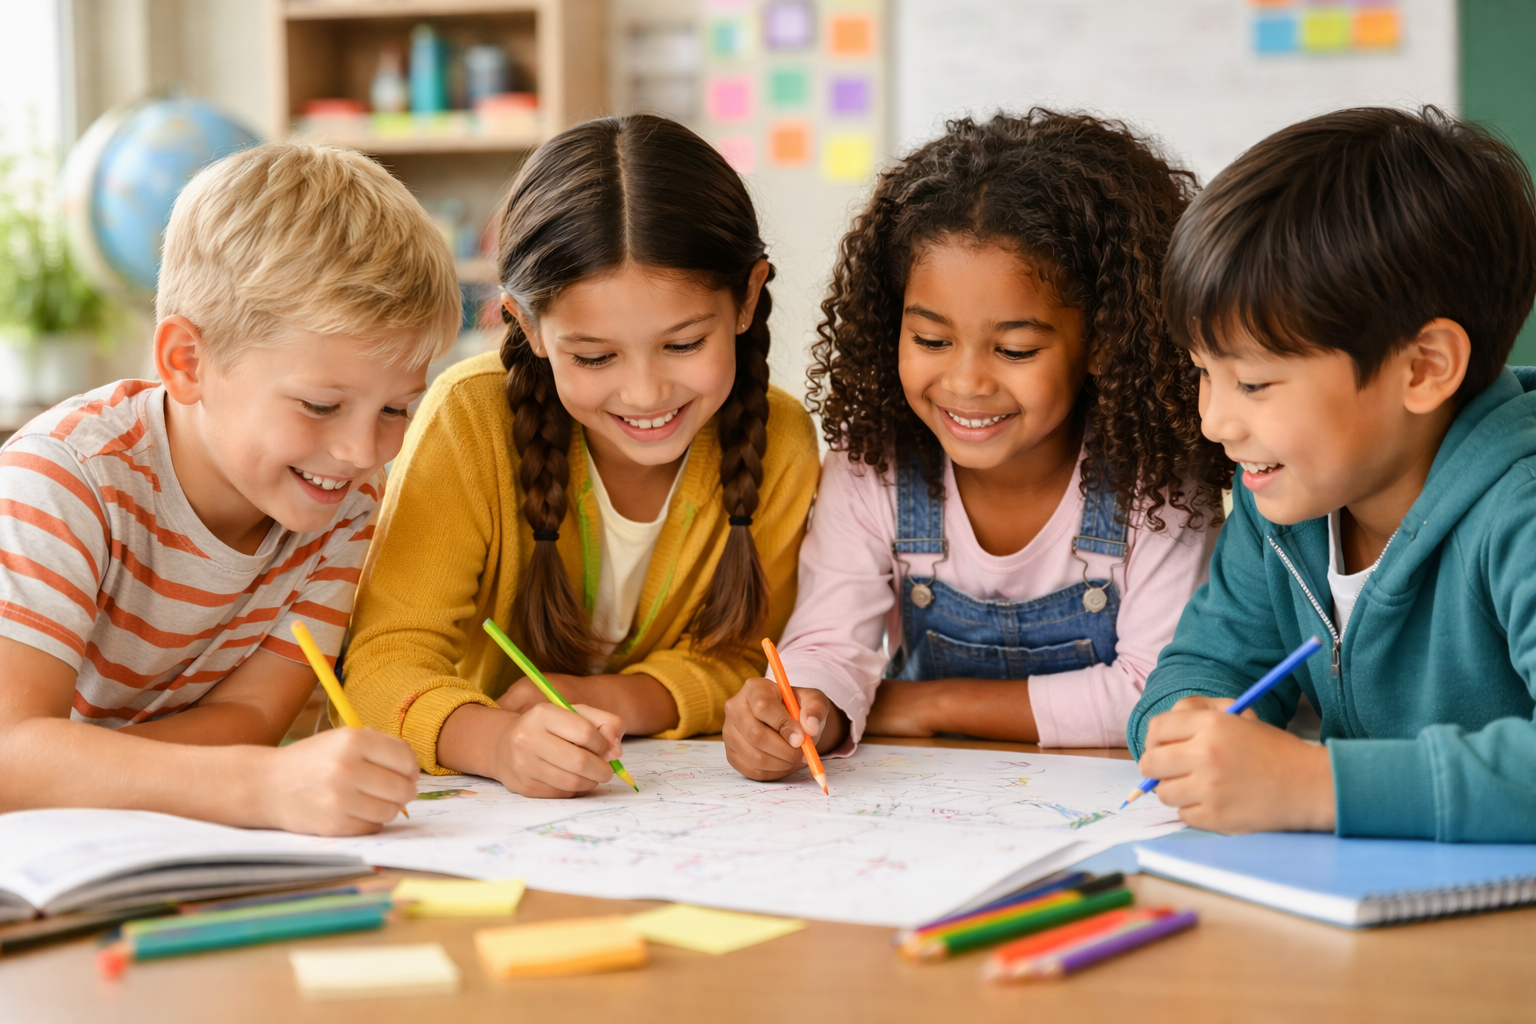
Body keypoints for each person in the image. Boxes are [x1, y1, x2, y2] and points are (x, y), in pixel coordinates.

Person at [723, 111, 1227, 782]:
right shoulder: (874, 459)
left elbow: (1155, 695)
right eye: (931, 340)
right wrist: (808, 706)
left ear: (1105, 340)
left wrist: (932, 705)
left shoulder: (1157, 483)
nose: (964, 382)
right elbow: (827, 638)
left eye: (1015, 348)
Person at [343, 115, 819, 798]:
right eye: (594, 356)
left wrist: (623, 697)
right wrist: (498, 743)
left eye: (684, 344)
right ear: (528, 326)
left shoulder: (781, 439)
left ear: (747, 297)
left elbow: (751, 660)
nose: (646, 391)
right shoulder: (470, 420)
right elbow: (383, 663)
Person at [0, 143, 455, 835]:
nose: (365, 452)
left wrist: (85, 768)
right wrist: (258, 785)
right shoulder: (65, 480)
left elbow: (251, 719)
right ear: (187, 363)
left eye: (395, 410)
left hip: (147, 834)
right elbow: (11, 757)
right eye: (320, 406)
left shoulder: (345, 510)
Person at [1128, 107, 1536, 841]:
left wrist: (1316, 786)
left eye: (1253, 384)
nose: (1215, 422)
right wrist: (1184, 725)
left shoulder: (1521, 510)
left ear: (1424, 368)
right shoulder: (1283, 497)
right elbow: (1206, 661)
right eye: (1202, 373)